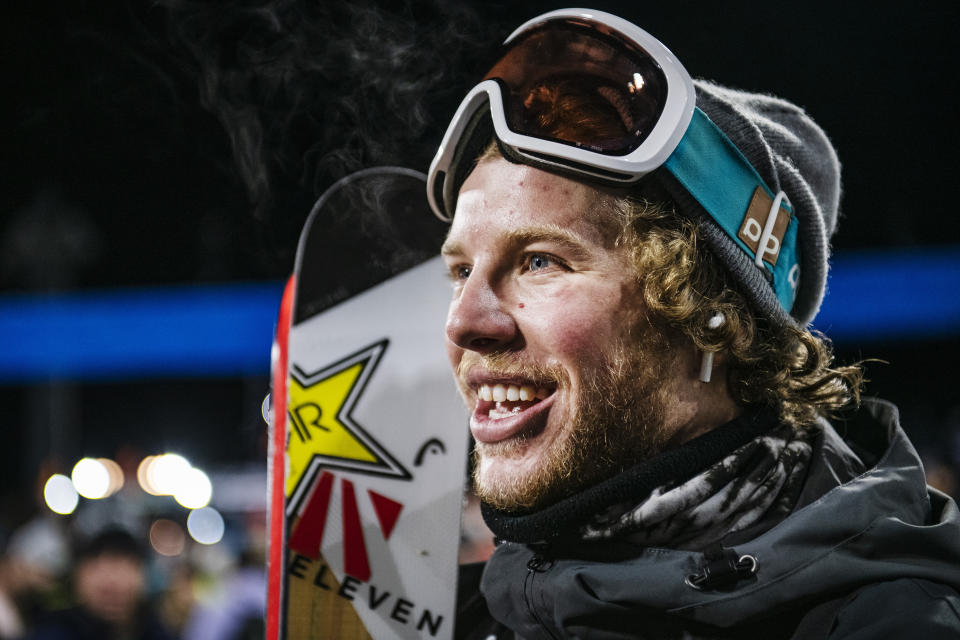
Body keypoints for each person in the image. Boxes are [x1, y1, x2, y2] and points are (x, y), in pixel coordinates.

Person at [427, 8, 960, 639]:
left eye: (540, 261)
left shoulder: (891, 624)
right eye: (461, 272)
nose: (465, 322)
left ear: (713, 316)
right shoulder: (464, 617)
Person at [26, 528, 176, 640]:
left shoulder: (159, 630)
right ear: (78, 579)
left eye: (123, 567)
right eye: (97, 569)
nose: (113, 585)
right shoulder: (52, 631)